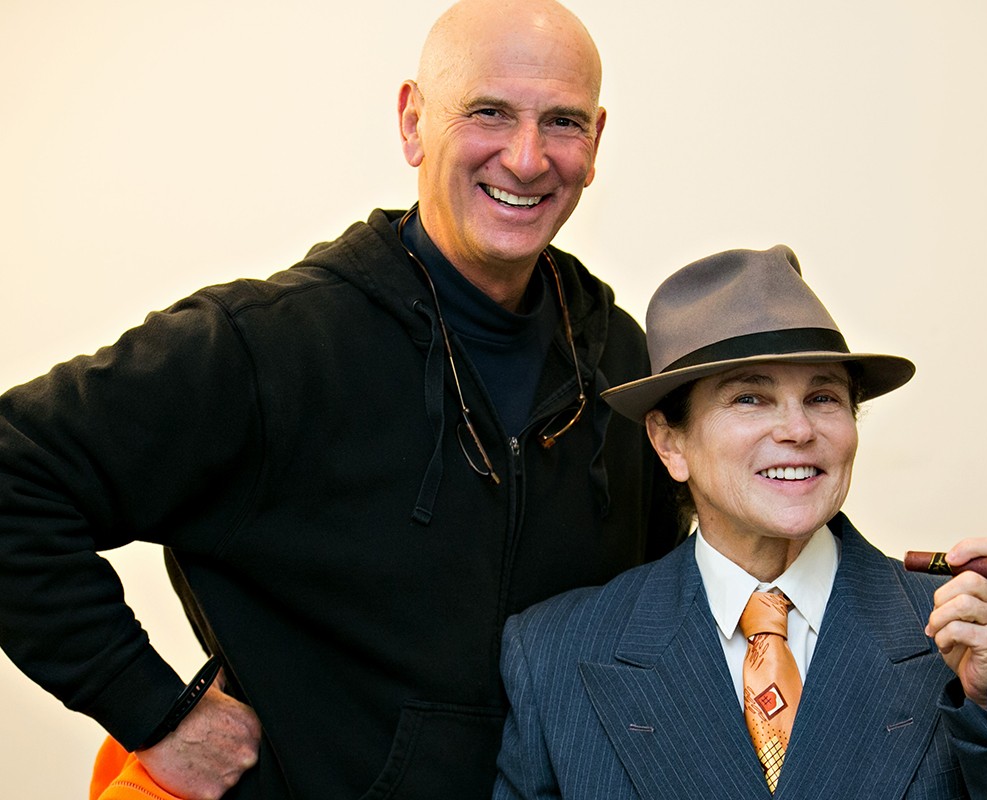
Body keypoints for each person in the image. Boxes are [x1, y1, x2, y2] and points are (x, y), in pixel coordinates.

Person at [0, 1, 683, 797]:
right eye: (489, 112)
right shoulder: (272, 347)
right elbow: (15, 471)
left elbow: (659, 613)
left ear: (595, 142)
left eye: (561, 121)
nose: (527, 158)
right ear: (413, 123)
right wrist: (151, 709)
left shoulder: (623, 362)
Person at [493, 245, 987, 799]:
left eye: (823, 397)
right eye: (750, 397)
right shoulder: (555, 656)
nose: (798, 430)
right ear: (669, 443)